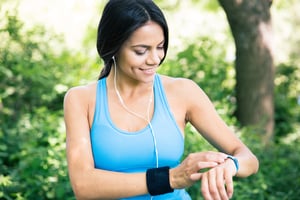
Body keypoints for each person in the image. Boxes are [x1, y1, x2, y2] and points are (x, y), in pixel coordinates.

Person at [63, 0, 259, 199]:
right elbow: (83, 185)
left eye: (160, 47)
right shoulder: (81, 100)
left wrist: (230, 165)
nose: (154, 59)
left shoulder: (183, 92)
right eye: (141, 51)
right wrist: (171, 178)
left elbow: (248, 158)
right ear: (114, 46)